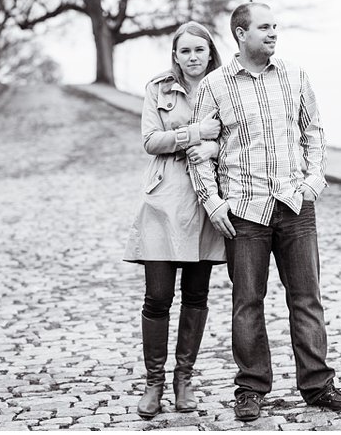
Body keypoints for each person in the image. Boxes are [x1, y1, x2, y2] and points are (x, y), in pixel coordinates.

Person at [188, 3, 341, 422]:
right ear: (240, 34)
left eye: (275, 26)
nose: (273, 33)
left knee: (307, 299)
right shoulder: (214, 87)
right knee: (247, 302)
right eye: (264, 27)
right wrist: (213, 203)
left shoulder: (296, 76)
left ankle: (318, 385)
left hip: (294, 206)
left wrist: (312, 184)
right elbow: (199, 155)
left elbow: (314, 133)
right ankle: (250, 388)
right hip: (244, 211)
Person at [124, 21, 227, 419]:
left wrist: (214, 145)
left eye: (199, 50)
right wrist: (193, 133)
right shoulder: (158, 90)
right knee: (158, 296)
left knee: (196, 296)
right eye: (185, 51)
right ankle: (154, 382)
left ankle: (184, 379)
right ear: (175, 56)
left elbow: (236, 138)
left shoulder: (224, 87)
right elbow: (150, 141)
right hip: (162, 204)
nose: (193, 57)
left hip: (205, 204)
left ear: (209, 52)